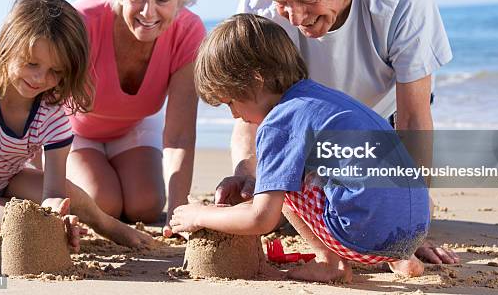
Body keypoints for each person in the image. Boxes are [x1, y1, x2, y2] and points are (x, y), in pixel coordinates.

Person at [218, 0, 458, 264]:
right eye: (283, 3)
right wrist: (245, 170)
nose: (296, 18)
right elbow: (251, 112)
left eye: (307, 0)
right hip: (310, 128)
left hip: (384, 127)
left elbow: (414, 115)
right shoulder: (260, 7)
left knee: (393, 216)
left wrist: (413, 232)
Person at [171, 14, 429, 283]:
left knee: (284, 181)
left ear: (256, 81)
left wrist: (201, 214)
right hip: (415, 229)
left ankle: (330, 263)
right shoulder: (321, 98)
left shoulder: (279, 122)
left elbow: (260, 218)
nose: (235, 115)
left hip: (363, 235)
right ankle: (402, 258)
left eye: (231, 102)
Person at [0, 0, 155, 260]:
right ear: (8, 44)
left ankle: (106, 223)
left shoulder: (52, 113)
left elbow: (54, 192)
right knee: (18, 222)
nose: (40, 79)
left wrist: (57, 217)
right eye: (32, 63)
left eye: (55, 72)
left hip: (9, 179)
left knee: (68, 197)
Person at [67, 0, 205, 237]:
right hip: (75, 130)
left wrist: (178, 214)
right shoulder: (83, 20)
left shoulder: (189, 32)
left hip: (134, 126)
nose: (148, 11)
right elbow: (43, 104)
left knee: (146, 205)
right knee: (104, 203)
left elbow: (180, 133)